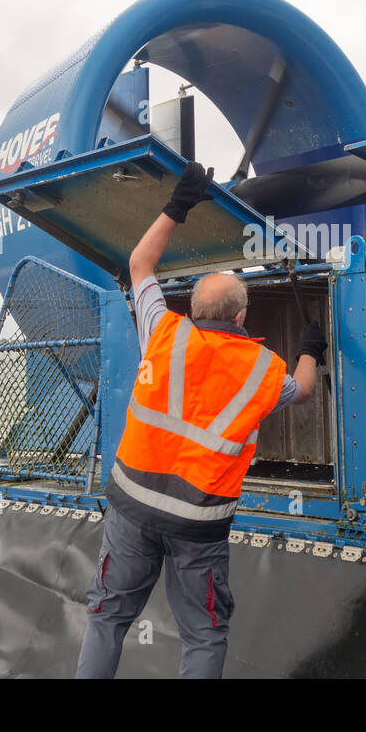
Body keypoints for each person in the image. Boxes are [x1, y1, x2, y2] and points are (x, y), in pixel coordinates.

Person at [74, 161, 326, 678]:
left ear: (191, 307)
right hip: (198, 524)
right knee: (204, 635)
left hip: (132, 509)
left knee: (107, 618)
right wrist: (311, 349)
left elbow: (140, 266)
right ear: (241, 317)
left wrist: (179, 204)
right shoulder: (263, 370)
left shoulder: (163, 332)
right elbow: (301, 391)